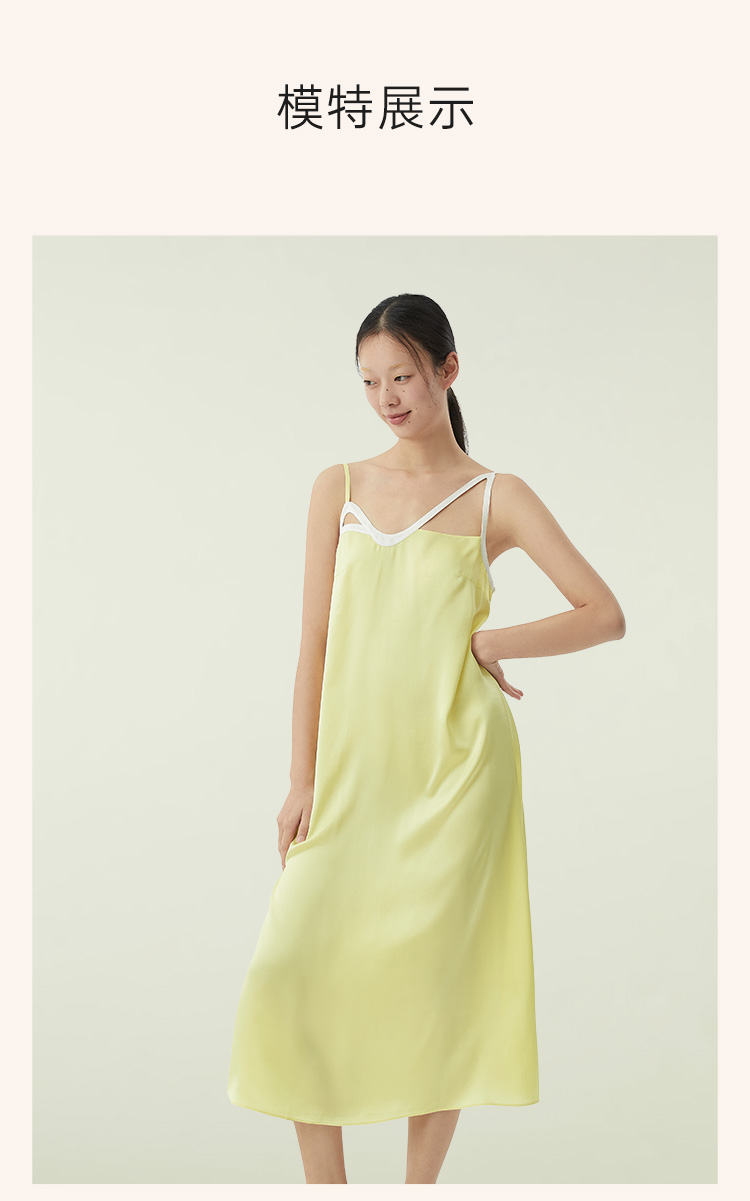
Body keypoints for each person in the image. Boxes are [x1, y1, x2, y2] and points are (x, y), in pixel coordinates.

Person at [227, 293, 626, 1184]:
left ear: (448, 369)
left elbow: (603, 612)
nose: (387, 399)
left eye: (403, 376)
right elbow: (314, 641)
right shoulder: (338, 487)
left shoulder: (496, 497)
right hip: (352, 777)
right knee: (290, 971)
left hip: (458, 774)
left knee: (433, 988)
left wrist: (491, 641)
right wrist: (301, 777)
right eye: (370, 382)